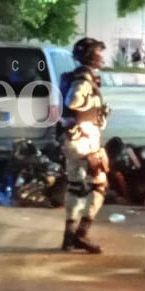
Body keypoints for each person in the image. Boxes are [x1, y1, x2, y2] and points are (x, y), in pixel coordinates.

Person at [57, 37, 111, 254]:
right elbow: (74, 101)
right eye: (99, 52)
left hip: (72, 139)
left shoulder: (79, 77)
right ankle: (81, 234)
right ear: (92, 56)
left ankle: (68, 238)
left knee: (75, 186)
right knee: (98, 186)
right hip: (84, 140)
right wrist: (95, 109)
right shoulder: (83, 80)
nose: (102, 56)